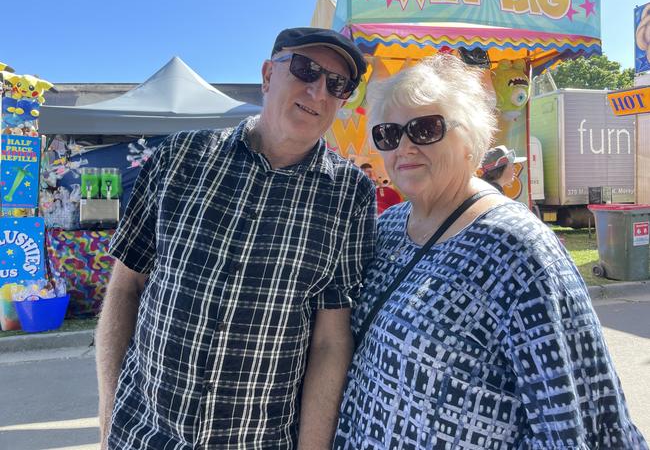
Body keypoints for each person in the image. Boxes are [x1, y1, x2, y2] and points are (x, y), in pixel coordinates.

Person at [334, 54, 647, 449]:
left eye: (425, 128)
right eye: (389, 134)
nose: (405, 147)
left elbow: (574, 417)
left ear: (470, 140)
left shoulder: (520, 248)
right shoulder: (388, 226)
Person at [96, 27, 377, 450]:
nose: (319, 91)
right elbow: (125, 287)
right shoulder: (179, 158)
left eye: (338, 84)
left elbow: (329, 341)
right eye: (305, 69)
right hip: (142, 433)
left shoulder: (350, 194)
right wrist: (108, 423)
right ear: (267, 75)